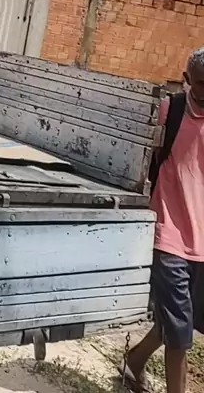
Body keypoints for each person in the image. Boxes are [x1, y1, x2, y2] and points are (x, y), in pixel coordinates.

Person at [122, 48, 204, 393]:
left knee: (179, 320)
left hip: (202, 240)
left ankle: (135, 360)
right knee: (180, 334)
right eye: (202, 83)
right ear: (187, 80)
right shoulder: (170, 111)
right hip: (168, 233)